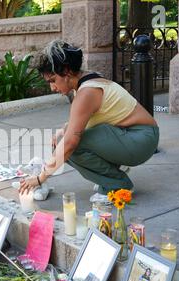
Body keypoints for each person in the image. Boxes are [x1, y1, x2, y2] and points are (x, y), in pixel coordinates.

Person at [18, 40, 159, 199]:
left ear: (66, 71)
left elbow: (70, 143)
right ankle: (111, 173)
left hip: (140, 140)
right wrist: (62, 132)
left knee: (70, 147)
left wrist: (40, 178)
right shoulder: (87, 80)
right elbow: (83, 121)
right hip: (135, 136)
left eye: (52, 80)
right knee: (63, 141)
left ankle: (117, 184)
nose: (52, 88)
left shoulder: (87, 92)